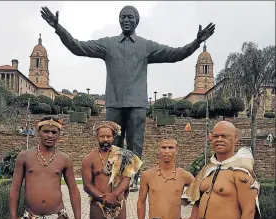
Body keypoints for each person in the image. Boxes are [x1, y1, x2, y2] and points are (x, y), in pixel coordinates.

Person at [41, 5, 215, 190]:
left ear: (136, 21)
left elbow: (176, 54)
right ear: (119, 20)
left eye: (130, 17)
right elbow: (78, 47)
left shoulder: (146, 46)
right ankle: (111, 178)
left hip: (137, 103)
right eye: (123, 17)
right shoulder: (108, 44)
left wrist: (196, 42)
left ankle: (132, 179)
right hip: (114, 102)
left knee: (135, 143)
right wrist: (58, 28)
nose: (126, 20)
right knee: (111, 142)